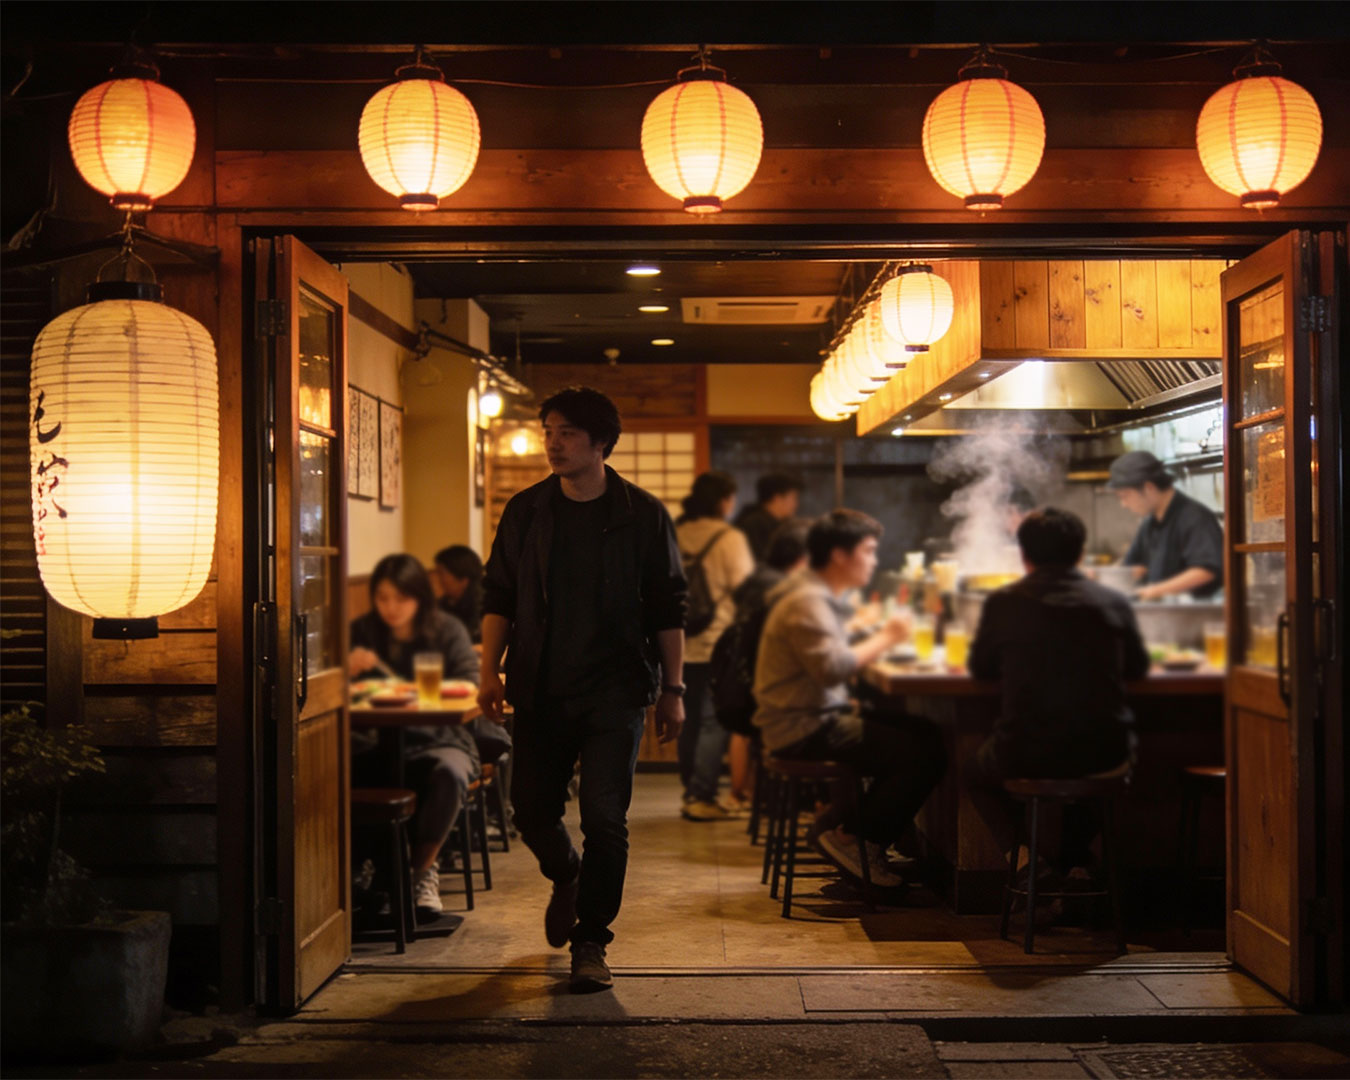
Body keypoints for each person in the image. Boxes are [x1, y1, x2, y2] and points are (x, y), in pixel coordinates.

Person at [478, 386, 687, 993]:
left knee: (605, 817)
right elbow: (498, 595)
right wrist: (489, 670)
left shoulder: (642, 514)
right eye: (548, 431)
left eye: (566, 432)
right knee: (532, 810)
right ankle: (566, 874)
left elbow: (668, 607)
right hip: (541, 685)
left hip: (616, 690)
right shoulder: (527, 511)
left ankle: (591, 940)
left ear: (600, 443)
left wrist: (673, 688)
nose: (552, 443)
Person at [753, 509, 947, 888]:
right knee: (923, 753)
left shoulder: (813, 593)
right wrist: (888, 636)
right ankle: (854, 839)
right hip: (801, 726)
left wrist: (862, 628)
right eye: (869, 551)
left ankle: (850, 829)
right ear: (841, 555)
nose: (874, 561)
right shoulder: (807, 599)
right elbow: (832, 668)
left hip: (808, 716)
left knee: (924, 732)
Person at [966, 507, 1150, 876]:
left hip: (1024, 751)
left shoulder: (1004, 602)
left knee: (973, 773)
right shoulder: (1112, 601)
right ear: (1080, 553)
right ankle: (1073, 860)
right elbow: (1137, 669)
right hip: (1104, 753)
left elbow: (980, 669)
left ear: (1024, 555)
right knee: (1111, 776)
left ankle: (1027, 861)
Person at [349, 554, 481, 920]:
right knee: (346, 772)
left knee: (449, 774)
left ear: (420, 597)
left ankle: (422, 871)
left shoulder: (446, 630)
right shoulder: (362, 631)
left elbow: (471, 681)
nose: (391, 608)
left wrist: (418, 690)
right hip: (374, 740)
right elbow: (336, 688)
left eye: (401, 599)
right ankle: (369, 872)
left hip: (441, 737)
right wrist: (347, 668)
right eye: (382, 599)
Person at [676, 471, 755, 822]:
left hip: (678, 643)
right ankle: (701, 795)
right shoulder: (729, 538)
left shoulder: (675, 533)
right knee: (713, 721)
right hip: (717, 642)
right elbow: (744, 587)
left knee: (688, 720)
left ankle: (690, 791)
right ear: (724, 500)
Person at [1108, 450, 1223, 600]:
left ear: (1148, 487)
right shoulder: (1149, 523)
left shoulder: (1195, 517)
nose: (1123, 504)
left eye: (1125, 496)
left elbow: (1206, 570)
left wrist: (1155, 591)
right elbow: (1136, 567)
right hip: (1162, 614)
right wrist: (1101, 577)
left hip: (1194, 617)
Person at [734, 473, 804, 564]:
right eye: (793, 498)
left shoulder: (783, 523)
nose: (796, 504)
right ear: (777, 498)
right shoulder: (754, 524)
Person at [432, 544, 484, 644]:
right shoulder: (443, 604)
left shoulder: (483, 604)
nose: (436, 578)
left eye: (441, 573)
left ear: (463, 579)